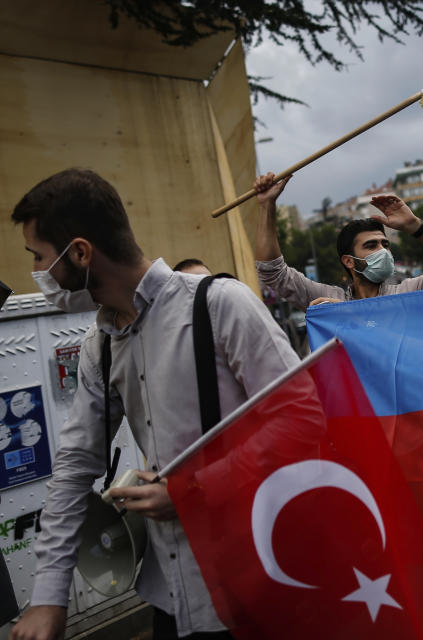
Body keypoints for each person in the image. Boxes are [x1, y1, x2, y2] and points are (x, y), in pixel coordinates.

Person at [10, 169, 300, 640]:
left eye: (40, 258)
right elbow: (75, 463)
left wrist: (196, 490)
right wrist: (48, 596)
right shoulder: (98, 345)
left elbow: (302, 421)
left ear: (81, 253)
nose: (38, 274)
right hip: (169, 594)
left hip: (258, 583)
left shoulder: (220, 304)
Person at [253, 172, 423, 309]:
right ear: (349, 261)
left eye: (385, 244)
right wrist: (266, 205)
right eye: (371, 245)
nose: (383, 251)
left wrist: (416, 227)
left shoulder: (408, 293)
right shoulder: (328, 301)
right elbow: (273, 272)